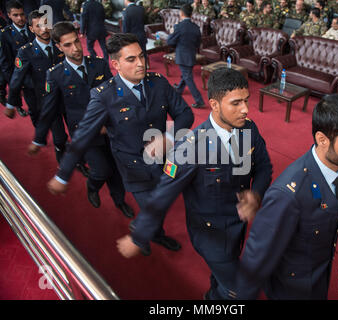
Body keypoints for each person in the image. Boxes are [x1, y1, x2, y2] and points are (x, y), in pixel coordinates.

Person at [116, 68, 273, 300]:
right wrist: (139, 236)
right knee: (241, 292)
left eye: (247, 101)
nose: (245, 109)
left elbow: (263, 166)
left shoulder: (248, 129)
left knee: (222, 281)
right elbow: (163, 194)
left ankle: (213, 295)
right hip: (211, 236)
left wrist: (256, 194)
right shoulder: (191, 148)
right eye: (236, 103)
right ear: (215, 104)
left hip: (239, 228)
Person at [45, 33, 194, 251]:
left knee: (161, 203)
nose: (141, 63)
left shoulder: (158, 83)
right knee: (152, 207)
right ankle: (149, 235)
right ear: (115, 64)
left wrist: (169, 137)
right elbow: (83, 135)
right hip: (133, 165)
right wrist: (63, 174)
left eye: (142, 57)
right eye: (131, 59)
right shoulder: (103, 96)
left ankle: (148, 231)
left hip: (164, 162)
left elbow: (185, 115)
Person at [233, 94, 338, 300]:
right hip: (291, 289)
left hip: (320, 275)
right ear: (322, 140)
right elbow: (258, 257)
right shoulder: (288, 195)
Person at [28, 22, 133, 218]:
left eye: (76, 41)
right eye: (67, 45)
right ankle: (92, 185)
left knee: (117, 169)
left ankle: (120, 201)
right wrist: (39, 138)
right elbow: (49, 111)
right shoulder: (56, 75)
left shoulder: (99, 64)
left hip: (109, 129)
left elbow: (115, 95)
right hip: (84, 134)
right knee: (102, 170)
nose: (75, 48)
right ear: (59, 47)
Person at [3, 10, 68, 164]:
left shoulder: (62, 45)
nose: (44, 29)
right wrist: (11, 103)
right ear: (31, 29)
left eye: (46, 25)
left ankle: (77, 161)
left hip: (68, 97)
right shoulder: (26, 52)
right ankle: (62, 160)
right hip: (47, 101)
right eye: (38, 26)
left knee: (77, 131)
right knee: (59, 137)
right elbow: (16, 79)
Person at [0, 0, 34, 117]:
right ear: (9, 15)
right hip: (21, 76)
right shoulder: (5, 35)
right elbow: (6, 63)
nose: (20, 18)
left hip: (37, 75)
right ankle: (19, 106)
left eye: (22, 14)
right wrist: (12, 82)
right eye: (15, 15)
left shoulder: (33, 28)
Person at [168, 4, 205, 109]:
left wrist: (172, 32)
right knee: (186, 74)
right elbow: (198, 44)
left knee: (188, 78)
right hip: (191, 55)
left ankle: (199, 100)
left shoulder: (178, 27)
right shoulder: (196, 27)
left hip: (182, 56)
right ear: (191, 14)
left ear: (181, 13)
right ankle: (179, 89)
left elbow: (170, 41)